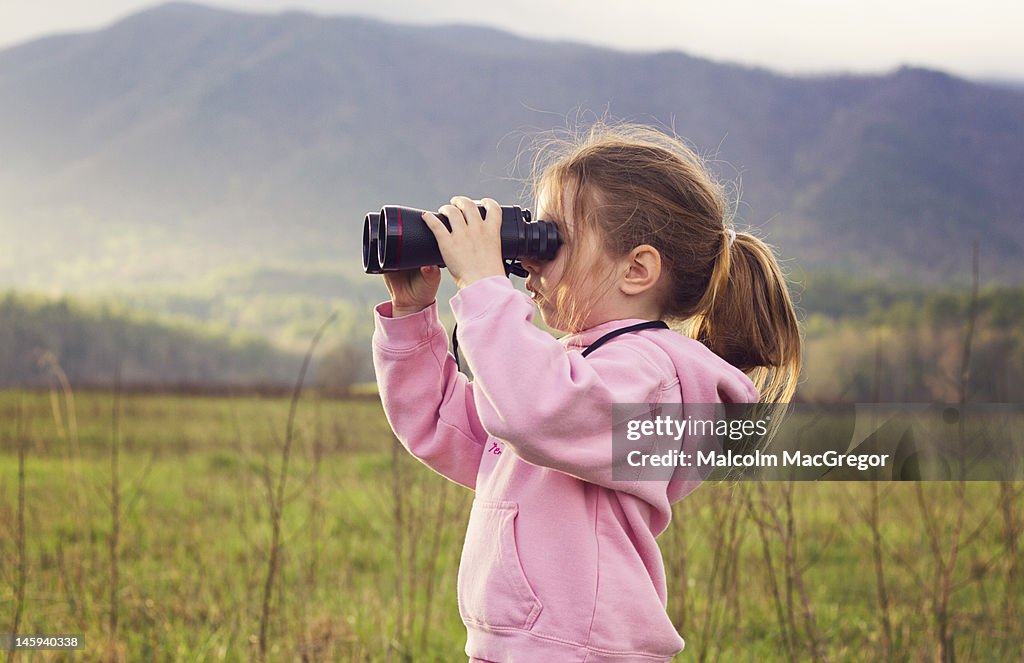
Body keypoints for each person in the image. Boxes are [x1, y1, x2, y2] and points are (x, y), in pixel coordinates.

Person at [370, 122, 801, 662]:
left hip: (581, 647)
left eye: (552, 240)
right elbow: (444, 425)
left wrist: (484, 287)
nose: (529, 258)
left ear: (637, 269)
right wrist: (413, 318)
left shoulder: (652, 376)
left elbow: (534, 411)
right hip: (530, 642)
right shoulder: (579, 375)